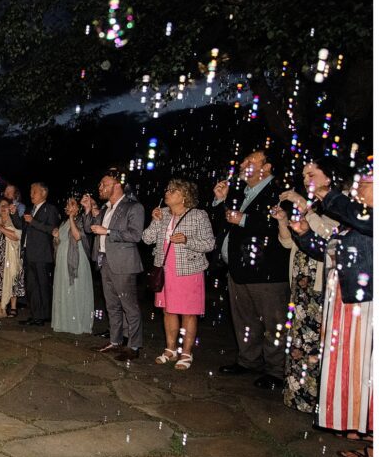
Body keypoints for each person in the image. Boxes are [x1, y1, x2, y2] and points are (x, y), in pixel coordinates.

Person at [291, 160, 373, 457]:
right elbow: (328, 249)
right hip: (342, 300)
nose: (360, 187)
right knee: (351, 366)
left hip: (367, 303)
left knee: (368, 367)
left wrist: (326, 193)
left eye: (366, 183)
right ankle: (357, 425)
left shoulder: (366, 217)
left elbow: (360, 220)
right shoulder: (353, 221)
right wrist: (303, 234)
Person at [209, 149, 289, 388]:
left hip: (266, 271)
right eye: (244, 160)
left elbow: (279, 224)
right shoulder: (238, 192)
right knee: (245, 319)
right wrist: (220, 201)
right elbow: (221, 222)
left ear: (266, 167)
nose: (243, 164)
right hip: (237, 268)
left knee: (274, 323)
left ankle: (277, 371)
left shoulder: (280, 192)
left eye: (250, 161)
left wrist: (243, 219)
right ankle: (248, 361)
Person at [270, 157, 343, 413]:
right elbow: (290, 243)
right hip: (300, 285)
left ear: (329, 177)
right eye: (303, 175)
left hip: (321, 287)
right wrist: (282, 221)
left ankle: (320, 403)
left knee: (317, 344)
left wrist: (303, 207)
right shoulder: (311, 206)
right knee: (300, 342)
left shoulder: (340, 206)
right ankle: (298, 397)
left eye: (311, 174)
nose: (305, 179)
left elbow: (328, 238)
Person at [142, 179, 215, 370]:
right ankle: (170, 349)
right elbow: (146, 239)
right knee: (168, 310)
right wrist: (155, 221)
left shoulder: (198, 215)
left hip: (188, 271)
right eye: (167, 189)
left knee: (188, 314)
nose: (167, 192)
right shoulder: (162, 213)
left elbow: (209, 244)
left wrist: (187, 240)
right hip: (165, 270)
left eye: (173, 190)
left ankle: (186, 353)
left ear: (184, 196)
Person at [82, 169, 146, 361]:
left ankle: (134, 345)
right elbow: (88, 228)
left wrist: (108, 231)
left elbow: (135, 235)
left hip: (124, 264)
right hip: (105, 261)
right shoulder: (105, 208)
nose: (100, 187)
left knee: (129, 306)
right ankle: (115, 341)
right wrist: (87, 210)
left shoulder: (133, 207)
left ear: (117, 185)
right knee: (112, 305)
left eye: (104, 184)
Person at [51, 197, 94, 334]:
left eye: (72, 204)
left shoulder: (81, 221)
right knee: (64, 290)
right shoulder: (63, 222)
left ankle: (77, 324)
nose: (69, 206)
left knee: (75, 290)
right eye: (67, 204)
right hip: (62, 262)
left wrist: (71, 218)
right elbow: (59, 243)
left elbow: (77, 236)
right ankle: (64, 323)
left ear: (78, 208)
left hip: (76, 261)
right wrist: (56, 237)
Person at [20, 182, 60, 326]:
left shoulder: (50, 209)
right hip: (29, 253)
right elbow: (24, 229)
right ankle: (35, 314)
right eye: (31, 191)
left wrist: (33, 222)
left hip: (42, 254)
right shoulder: (30, 209)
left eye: (34, 191)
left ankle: (44, 315)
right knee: (31, 286)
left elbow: (53, 229)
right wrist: (14, 215)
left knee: (43, 285)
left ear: (43, 193)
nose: (31, 194)